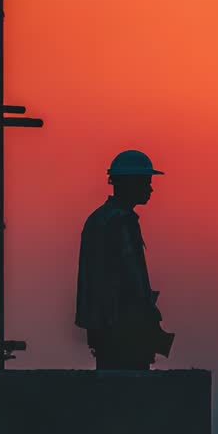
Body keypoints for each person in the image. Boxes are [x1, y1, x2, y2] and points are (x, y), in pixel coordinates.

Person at [75, 149, 175, 370]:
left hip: (105, 327)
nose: (150, 188)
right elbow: (132, 278)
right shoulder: (120, 222)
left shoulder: (100, 219)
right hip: (122, 329)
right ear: (130, 183)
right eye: (145, 182)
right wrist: (147, 315)